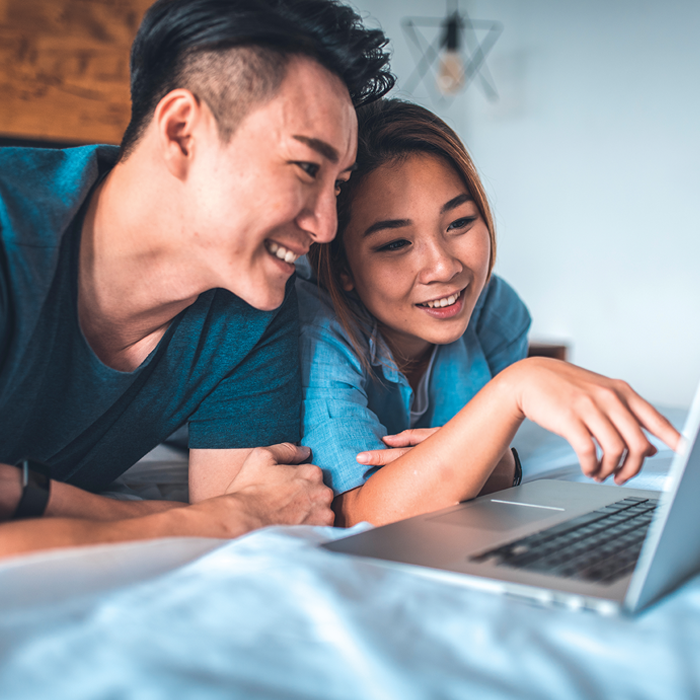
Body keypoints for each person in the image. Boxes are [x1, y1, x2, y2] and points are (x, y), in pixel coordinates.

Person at [0, 0, 394, 558]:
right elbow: (231, 518)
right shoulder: (9, 235)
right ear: (183, 132)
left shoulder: (256, 308)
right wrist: (218, 519)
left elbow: (260, 517)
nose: (326, 227)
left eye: (337, 184)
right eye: (308, 168)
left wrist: (29, 496)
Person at [297, 98, 680, 527]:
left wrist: (502, 466)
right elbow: (361, 510)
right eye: (395, 244)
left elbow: (486, 467)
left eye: (459, 223)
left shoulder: (497, 314)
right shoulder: (318, 332)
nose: (444, 267)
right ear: (343, 267)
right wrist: (516, 388)